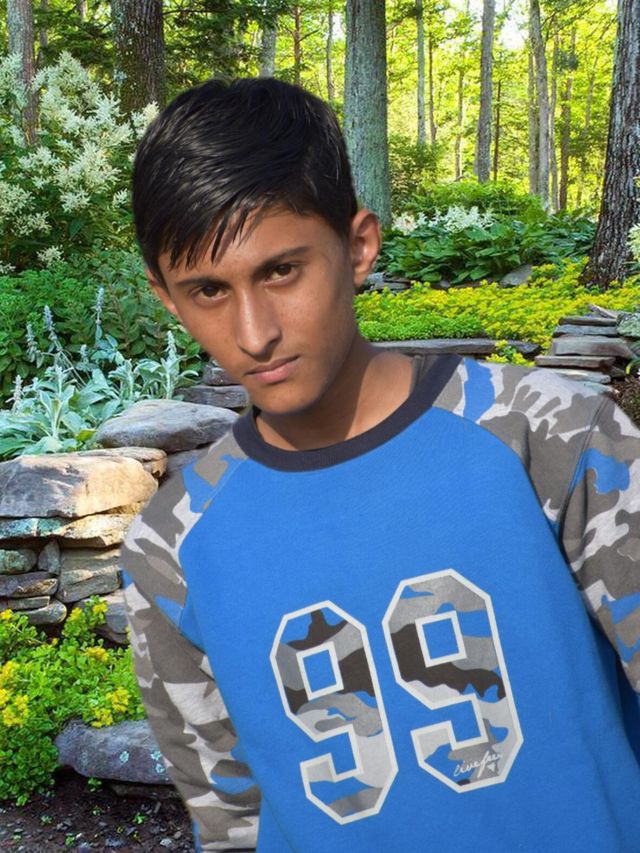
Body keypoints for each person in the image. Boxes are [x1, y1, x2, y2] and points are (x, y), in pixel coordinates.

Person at [121, 76, 640, 853]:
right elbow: (231, 822)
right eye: (208, 290)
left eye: (281, 270)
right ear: (166, 296)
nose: (254, 332)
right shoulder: (172, 547)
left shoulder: (548, 438)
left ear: (358, 246)